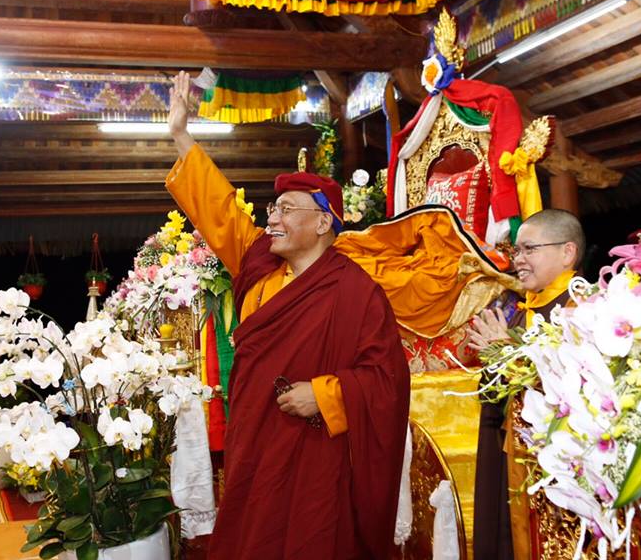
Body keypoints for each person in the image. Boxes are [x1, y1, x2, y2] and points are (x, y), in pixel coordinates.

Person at [164, 71, 411, 559]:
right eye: (272, 208)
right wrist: (179, 134)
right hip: (256, 444)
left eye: (285, 209)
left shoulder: (356, 292)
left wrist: (326, 394)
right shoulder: (259, 264)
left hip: (318, 451)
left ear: (322, 222)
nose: (272, 218)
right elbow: (218, 209)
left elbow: (387, 379)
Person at [467, 208, 585, 560]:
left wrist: (509, 354)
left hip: (558, 470)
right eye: (516, 250)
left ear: (567, 252)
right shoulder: (518, 309)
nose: (518, 259)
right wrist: (494, 360)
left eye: (529, 249)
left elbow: (576, 389)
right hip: (511, 458)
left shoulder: (584, 308)